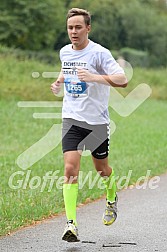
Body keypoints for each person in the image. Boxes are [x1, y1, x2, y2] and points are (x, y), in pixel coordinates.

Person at [51, 8, 128, 242]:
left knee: (102, 170)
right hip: (72, 118)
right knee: (70, 170)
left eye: (78, 27)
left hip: (96, 122)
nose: (73, 32)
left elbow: (123, 80)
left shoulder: (99, 54)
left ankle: (111, 196)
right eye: (70, 28)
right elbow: (67, 68)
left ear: (88, 28)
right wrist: (58, 81)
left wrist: (94, 77)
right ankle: (71, 224)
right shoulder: (65, 51)